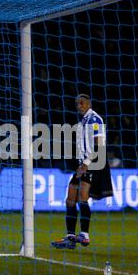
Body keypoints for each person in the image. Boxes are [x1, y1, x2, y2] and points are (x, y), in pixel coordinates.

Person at [51, 93, 113, 249]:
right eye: (77, 104)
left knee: (82, 197)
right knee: (70, 198)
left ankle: (84, 235)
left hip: (92, 164)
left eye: (82, 103)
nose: (79, 106)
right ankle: (70, 237)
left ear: (89, 104)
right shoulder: (82, 122)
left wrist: (85, 163)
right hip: (82, 165)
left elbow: (99, 144)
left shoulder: (95, 120)